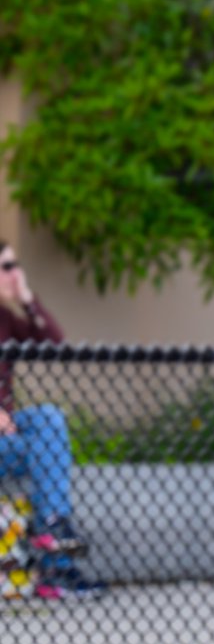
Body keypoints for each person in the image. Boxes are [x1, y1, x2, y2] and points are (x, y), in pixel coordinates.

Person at [0, 240, 101, 597]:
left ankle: (54, 531)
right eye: (6, 267)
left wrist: (26, 297)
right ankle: (57, 566)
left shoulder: (7, 319)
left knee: (47, 418)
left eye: (15, 266)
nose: (14, 274)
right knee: (46, 449)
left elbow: (54, 344)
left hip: (9, 439)